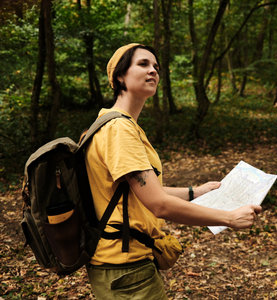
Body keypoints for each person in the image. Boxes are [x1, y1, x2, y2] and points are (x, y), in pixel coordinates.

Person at [84, 43, 262, 299]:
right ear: (120, 75)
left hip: (123, 266)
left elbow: (139, 192)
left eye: (156, 66)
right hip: (126, 268)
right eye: (143, 64)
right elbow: (159, 205)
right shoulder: (119, 130)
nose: (153, 71)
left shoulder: (119, 124)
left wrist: (195, 192)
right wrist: (228, 218)